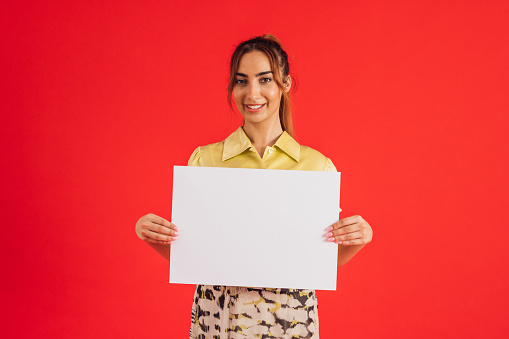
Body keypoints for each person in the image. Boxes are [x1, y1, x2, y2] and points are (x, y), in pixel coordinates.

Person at [135, 34, 373, 338]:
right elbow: (195, 256)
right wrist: (152, 233)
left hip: (291, 318)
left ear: (284, 84)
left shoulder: (317, 167)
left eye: (265, 79)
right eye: (241, 81)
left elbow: (316, 263)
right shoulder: (206, 160)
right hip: (220, 315)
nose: (252, 92)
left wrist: (358, 238)